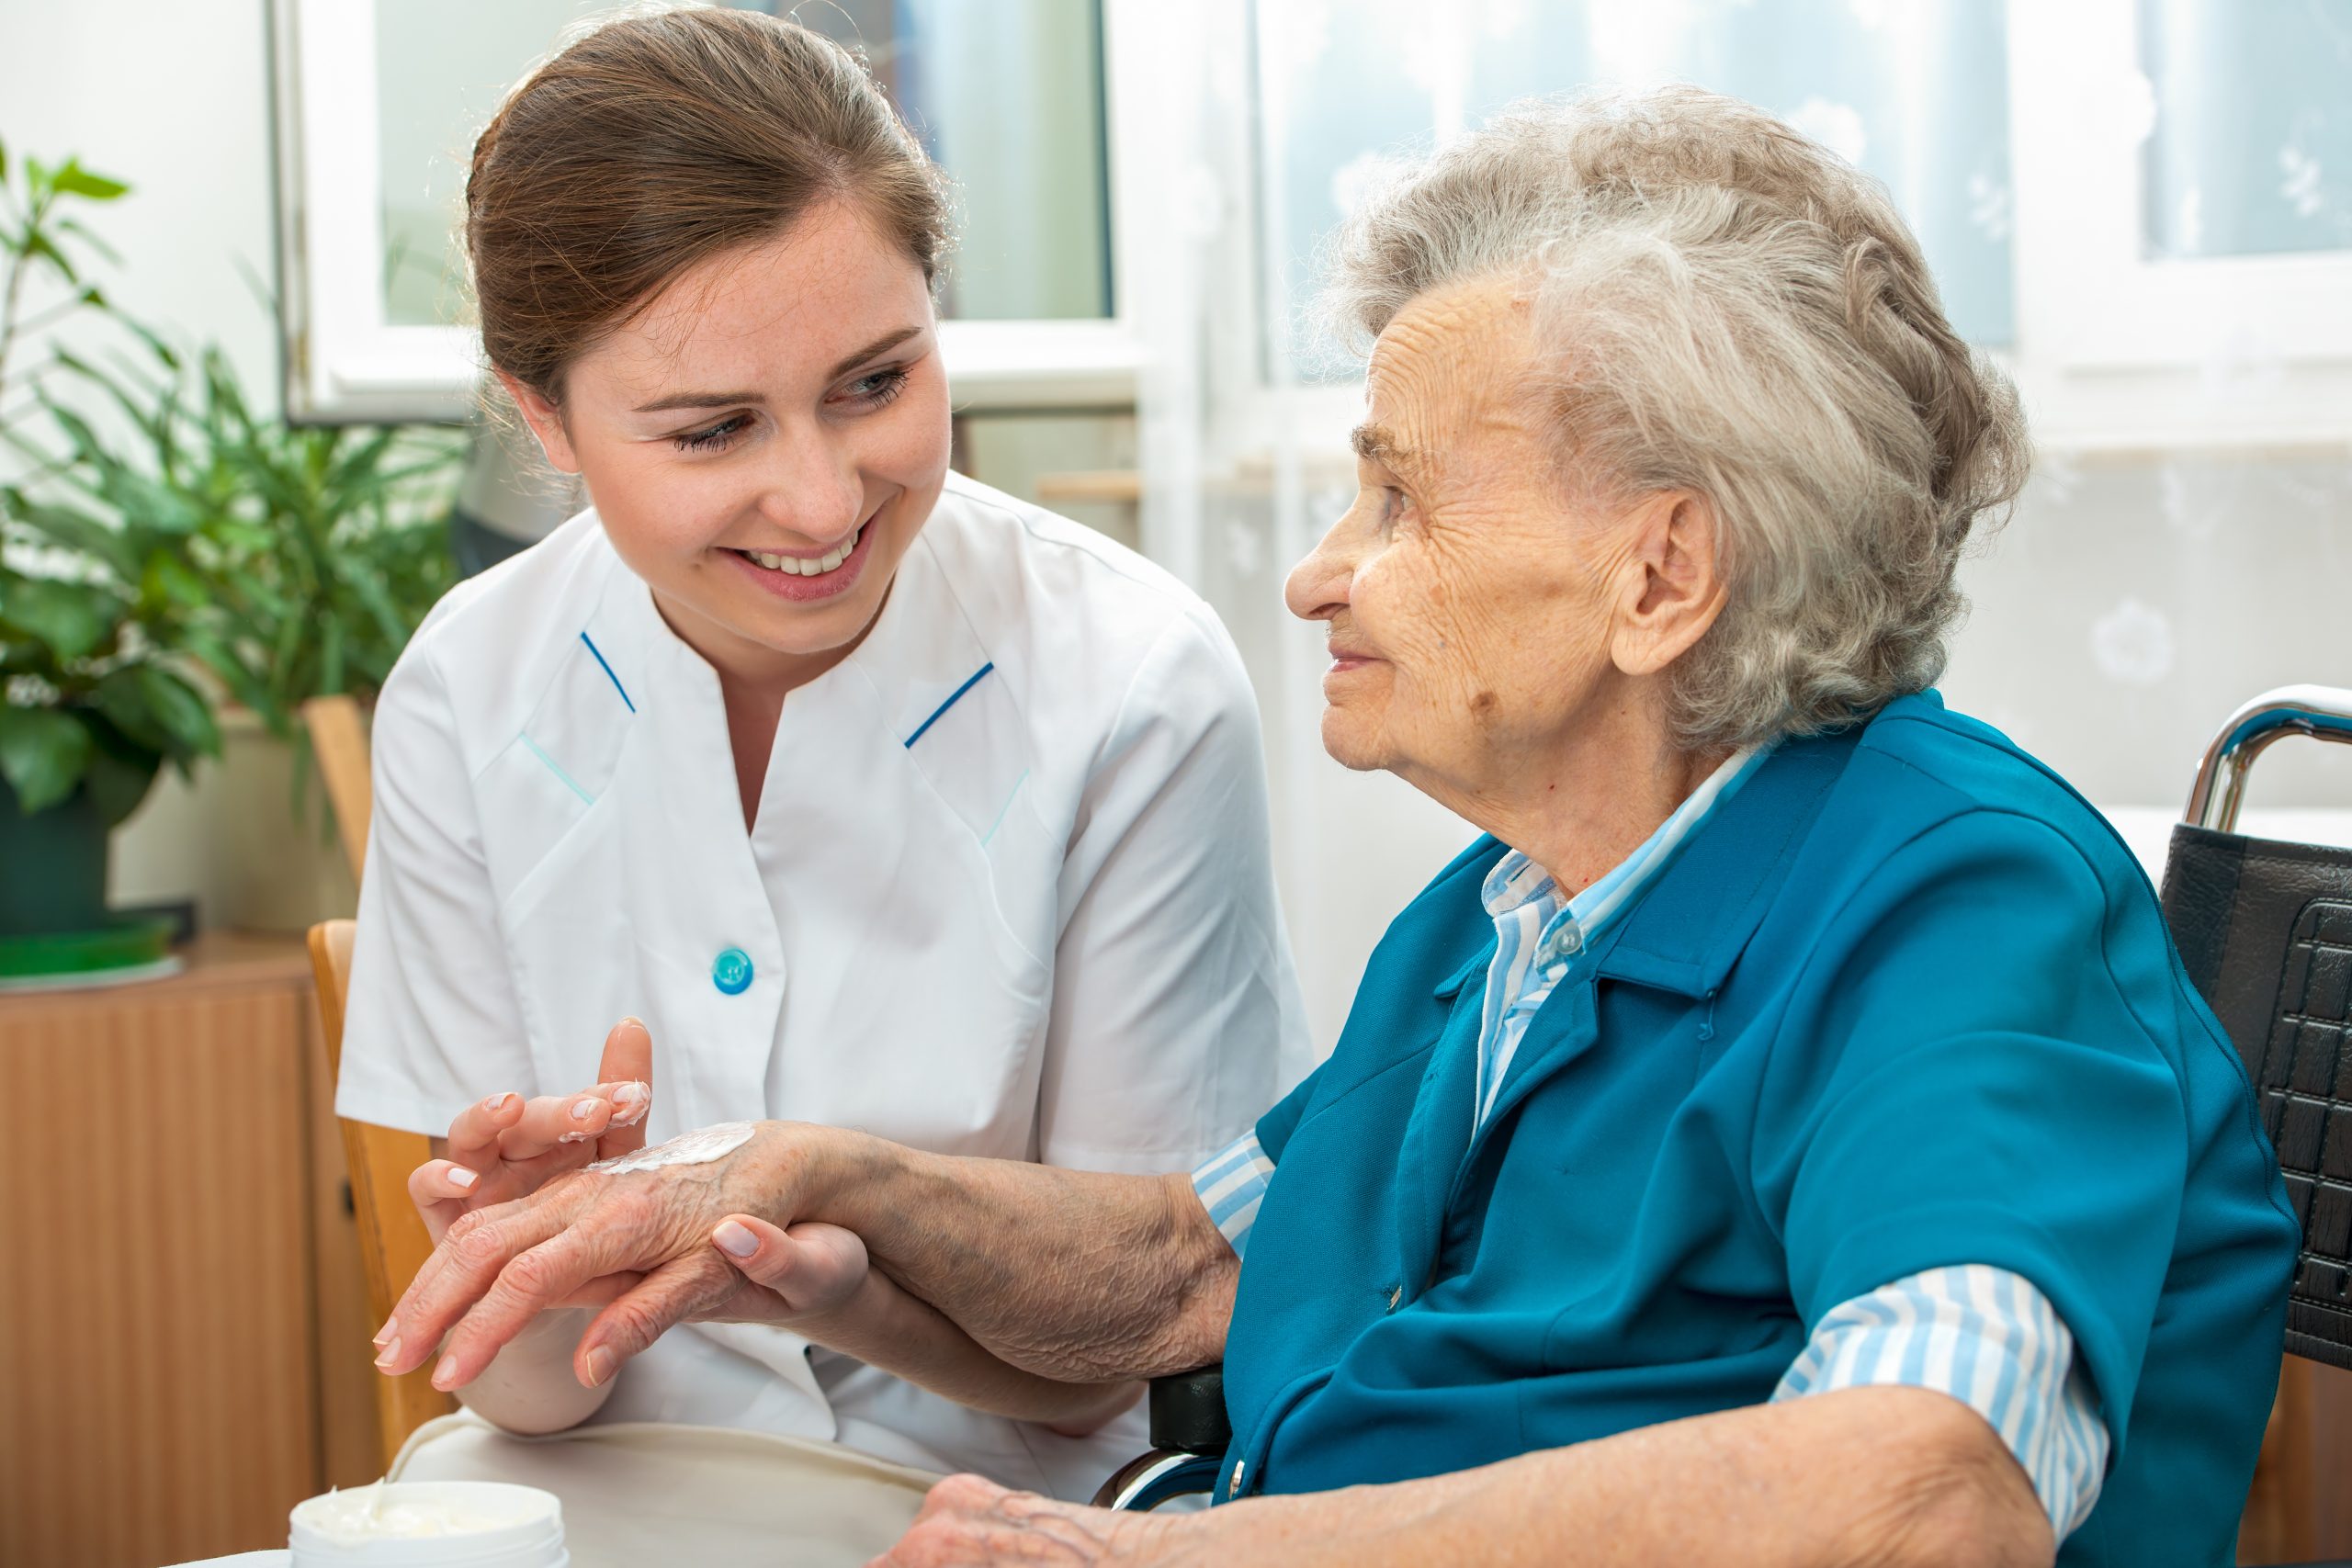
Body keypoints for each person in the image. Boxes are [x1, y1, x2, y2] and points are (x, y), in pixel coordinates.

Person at [378, 88, 2301, 1567]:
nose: (1315, 575)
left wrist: (1175, 1549)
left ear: (1659, 574)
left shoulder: (1954, 906)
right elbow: (1179, 1268)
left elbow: (1926, 1477)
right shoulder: (1502, 916)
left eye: (1395, 499)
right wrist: (813, 1184)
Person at [335, 6, 1307, 1506]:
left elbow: (1140, 1339)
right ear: (545, 421)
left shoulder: (1131, 684)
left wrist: (833, 1278)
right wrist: (527, 1254)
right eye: (713, 429)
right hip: (575, 1491)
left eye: (875, 383)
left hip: (995, 1505)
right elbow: (519, 1394)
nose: (818, 499)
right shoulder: (472, 687)